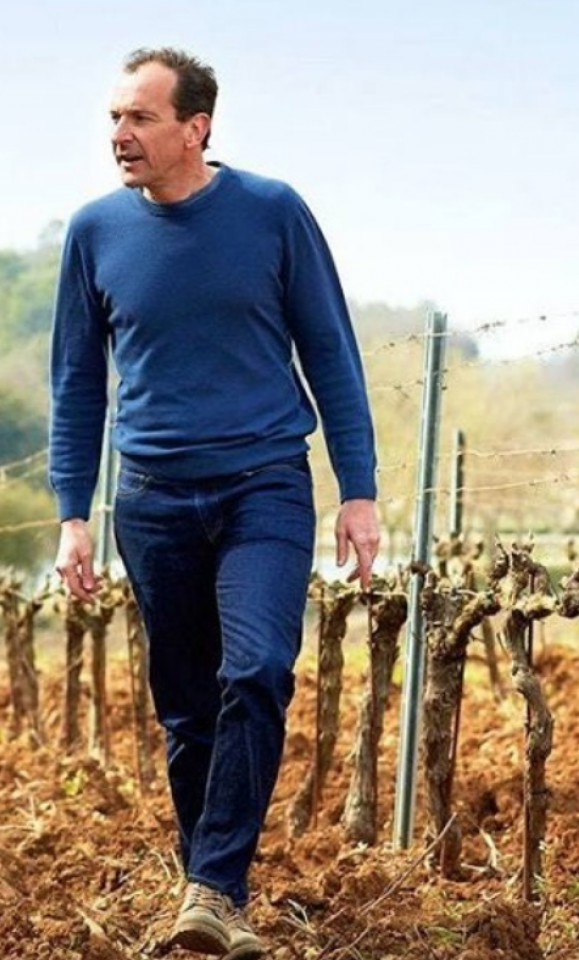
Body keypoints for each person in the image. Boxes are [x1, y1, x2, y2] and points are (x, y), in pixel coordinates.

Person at [49, 48, 380, 959]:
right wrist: (73, 512)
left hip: (263, 484)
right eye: (114, 118)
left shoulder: (272, 212)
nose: (121, 135)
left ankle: (214, 887)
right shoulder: (94, 232)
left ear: (196, 127)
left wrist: (357, 489)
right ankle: (213, 893)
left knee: (259, 668)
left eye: (141, 118)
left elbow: (331, 352)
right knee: (187, 708)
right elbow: (76, 383)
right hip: (151, 500)